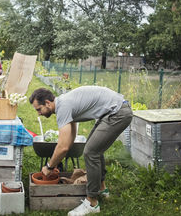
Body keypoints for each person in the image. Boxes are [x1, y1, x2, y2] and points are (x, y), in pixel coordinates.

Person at [29, 86, 133, 216]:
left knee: (91, 152)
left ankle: (92, 203)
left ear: (48, 103)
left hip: (117, 113)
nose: (39, 113)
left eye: (39, 109)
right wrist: (58, 159)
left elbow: (63, 147)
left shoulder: (63, 107)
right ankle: (101, 188)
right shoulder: (64, 103)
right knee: (93, 149)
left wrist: (50, 166)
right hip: (113, 111)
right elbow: (69, 139)